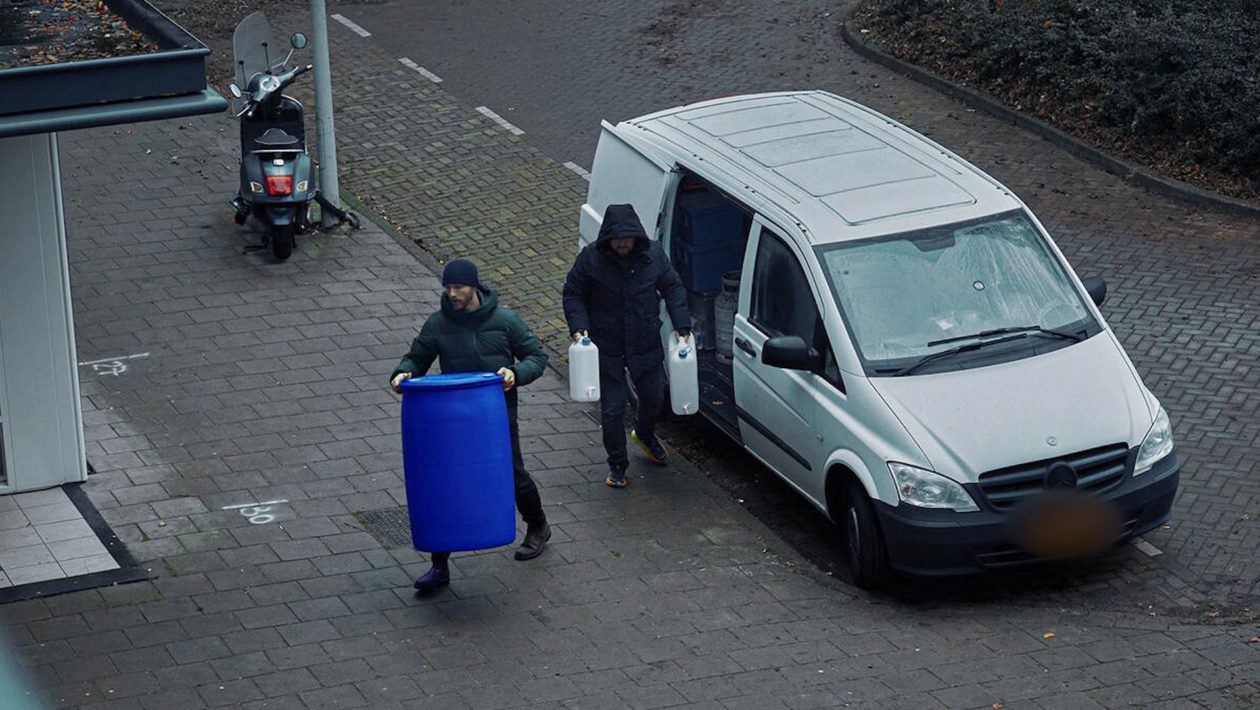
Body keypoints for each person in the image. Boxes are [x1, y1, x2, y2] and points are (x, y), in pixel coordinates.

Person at [390, 258, 551, 595]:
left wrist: (515, 375)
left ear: (474, 287)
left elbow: (537, 356)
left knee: (512, 472)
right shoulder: (438, 324)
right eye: (447, 288)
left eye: (458, 288)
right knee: (446, 483)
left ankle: (538, 526)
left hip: (495, 414)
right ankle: (439, 565)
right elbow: (416, 358)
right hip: (450, 419)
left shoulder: (505, 321)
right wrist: (402, 372)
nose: (452, 294)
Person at [562, 203, 690, 488]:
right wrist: (578, 326)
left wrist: (681, 323)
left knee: (654, 397)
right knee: (612, 410)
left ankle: (644, 434)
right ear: (608, 238)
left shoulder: (653, 255)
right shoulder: (591, 259)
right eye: (617, 239)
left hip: (644, 343)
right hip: (606, 346)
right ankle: (617, 463)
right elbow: (573, 293)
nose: (622, 244)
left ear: (636, 238)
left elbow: (673, 287)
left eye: (627, 239)